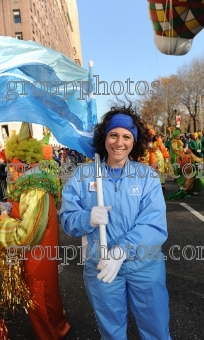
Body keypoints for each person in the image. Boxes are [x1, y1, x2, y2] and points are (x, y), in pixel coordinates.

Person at [60, 104, 171, 340]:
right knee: (112, 333)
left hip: (145, 266)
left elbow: (154, 225)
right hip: (101, 266)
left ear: (134, 142)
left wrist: (122, 251)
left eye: (126, 137)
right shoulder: (83, 176)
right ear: (105, 137)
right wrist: (86, 218)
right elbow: (68, 219)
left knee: (156, 330)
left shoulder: (147, 177)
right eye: (113, 134)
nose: (119, 142)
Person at [0, 123, 70, 339]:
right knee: (45, 298)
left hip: (37, 259)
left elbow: (27, 234)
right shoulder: (29, 182)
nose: (10, 170)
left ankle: (54, 333)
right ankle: (58, 327)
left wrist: (2, 221)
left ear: (26, 163)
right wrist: (10, 208)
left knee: (41, 302)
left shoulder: (35, 188)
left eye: (14, 165)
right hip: (36, 257)